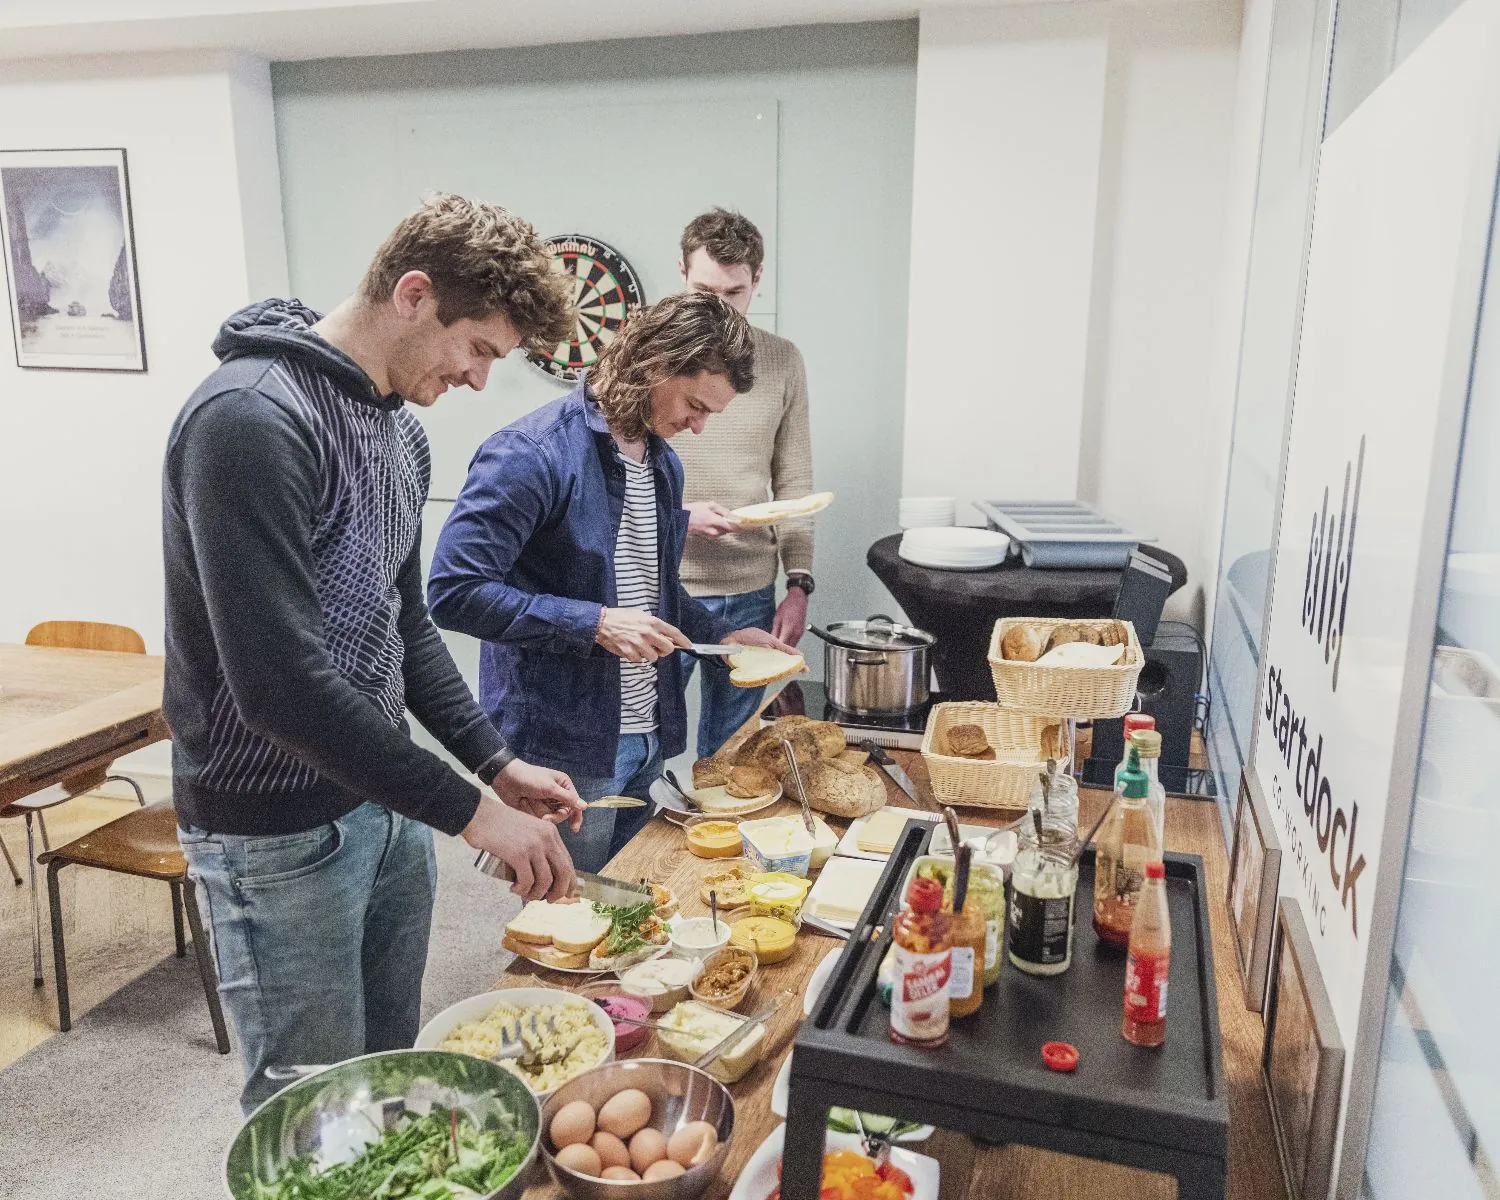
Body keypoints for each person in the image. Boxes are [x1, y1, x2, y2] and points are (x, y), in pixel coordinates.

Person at [162, 194, 588, 1114]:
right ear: (414, 293)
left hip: (383, 800)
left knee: (388, 1081)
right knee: (310, 1107)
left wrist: (494, 761)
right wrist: (472, 813)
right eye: (476, 348)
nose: (479, 379)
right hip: (272, 831)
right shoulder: (250, 421)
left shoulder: (399, 431)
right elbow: (278, 686)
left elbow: (405, 627)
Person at [428, 290, 798, 873]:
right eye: (695, 405)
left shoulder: (662, 463)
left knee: (621, 911)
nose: (697, 427)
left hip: (648, 732)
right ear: (657, 363)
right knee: (561, 918)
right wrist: (594, 624)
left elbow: (654, 594)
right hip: (563, 741)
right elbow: (453, 592)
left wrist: (728, 637)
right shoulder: (530, 453)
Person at [672, 208, 817, 757]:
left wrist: (799, 582)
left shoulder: (782, 361)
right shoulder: (646, 355)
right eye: (704, 289)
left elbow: (795, 483)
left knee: (734, 753)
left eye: (733, 292)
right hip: (662, 582)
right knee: (638, 748)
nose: (717, 306)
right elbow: (614, 476)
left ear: (757, 280)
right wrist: (681, 518)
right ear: (681, 274)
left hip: (751, 590)